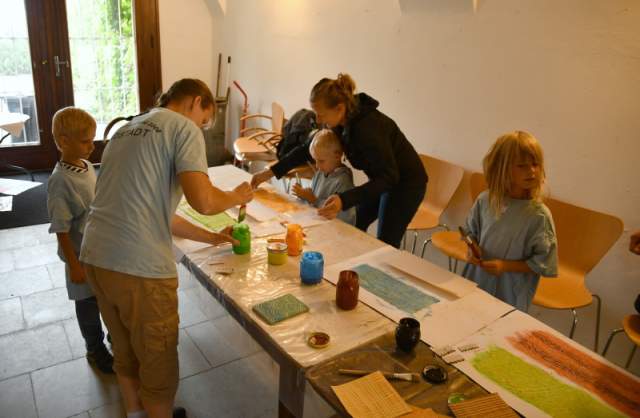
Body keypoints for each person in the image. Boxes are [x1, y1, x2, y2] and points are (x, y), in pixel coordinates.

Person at [80, 79, 253, 418]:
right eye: (205, 120)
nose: (201, 127)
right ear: (197, 102)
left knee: (125, 351)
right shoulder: (183, 128)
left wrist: (211, 237)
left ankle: (135, 413)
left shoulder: (127, 129)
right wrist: (236, 196)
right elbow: (204, 201)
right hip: (138, 267)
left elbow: (155, 211)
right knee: (158, 366)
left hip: (97, 256)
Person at [251, 73, 427, 248]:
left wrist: (344, 199)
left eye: (321, 114)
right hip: (381, 178)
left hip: (405, 183)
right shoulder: (340, 121)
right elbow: (306, 149)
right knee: (355, 224)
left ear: (340, 108)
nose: (317, 120)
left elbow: (389, 177)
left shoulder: (368, 129)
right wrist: (271, 172)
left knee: (385, 243)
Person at [47, 107, 114, 374]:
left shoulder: (85, 166)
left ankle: (114, 338)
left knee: (104, 297)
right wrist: (74, 265)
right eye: (86, 141)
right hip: (79, 256)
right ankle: (94, 349)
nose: (92, 146)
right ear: (64, 142)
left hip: (98, 250)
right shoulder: (60, 182)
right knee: (87, 306)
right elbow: (61, 229)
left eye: (92, 140)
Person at [461, 131, 558, 312]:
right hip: (477, 280)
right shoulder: (486, 200)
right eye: (522, 165)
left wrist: (505, 266)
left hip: (511, 293)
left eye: (535, 164)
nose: (532, 171)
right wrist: (471, 249)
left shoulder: (539, 216)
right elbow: (469, 233)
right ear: (502, 168)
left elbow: (543, 262)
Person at [291, 129, 356, 225]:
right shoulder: (320, 173)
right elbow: (313, 201)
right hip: (318, 223)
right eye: (315, 160)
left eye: (321, 161)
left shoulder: (343, 180)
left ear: (337, 156)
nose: (317, 166)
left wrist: (314, 199)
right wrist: (304, 195)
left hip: (336, 229)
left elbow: (345, 217)